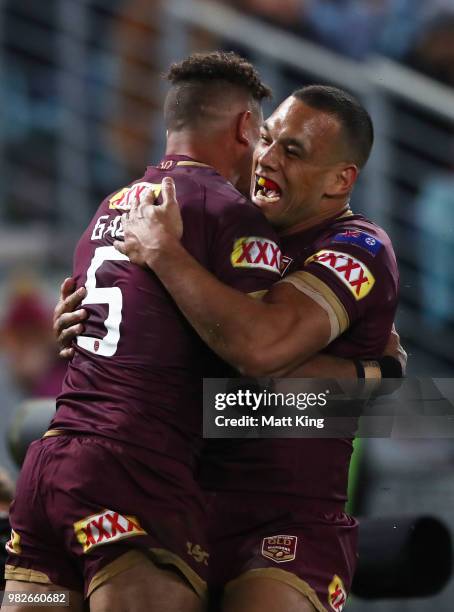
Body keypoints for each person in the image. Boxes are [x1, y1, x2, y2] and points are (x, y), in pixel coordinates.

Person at [55, 85, 401, 612]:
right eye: (267, 138)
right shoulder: (222, 223)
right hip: (174, 502)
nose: (267, 158)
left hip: (285, 520)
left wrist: (167, 260)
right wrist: (87, 334)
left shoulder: (359, 247)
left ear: (341, 180)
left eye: (294, 151)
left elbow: (259, 350)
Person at [2, 52, 285, 612]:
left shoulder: (108, 209)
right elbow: (256, 359)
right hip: (136, 476)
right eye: (269, 138)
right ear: (245, 127)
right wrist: (373, 385)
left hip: (53, 468)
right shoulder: (232, 216)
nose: (267, 156)